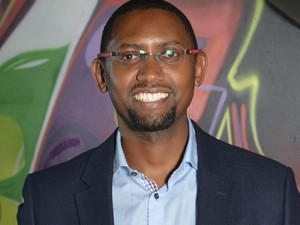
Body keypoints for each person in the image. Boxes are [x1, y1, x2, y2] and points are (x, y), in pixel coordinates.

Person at [17, 0, 300, 224]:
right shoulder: (47, 200)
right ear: (101, 75)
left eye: (169, 54)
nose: (150, 73)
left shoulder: (271, 193)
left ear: (198, 69)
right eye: (129, 56)